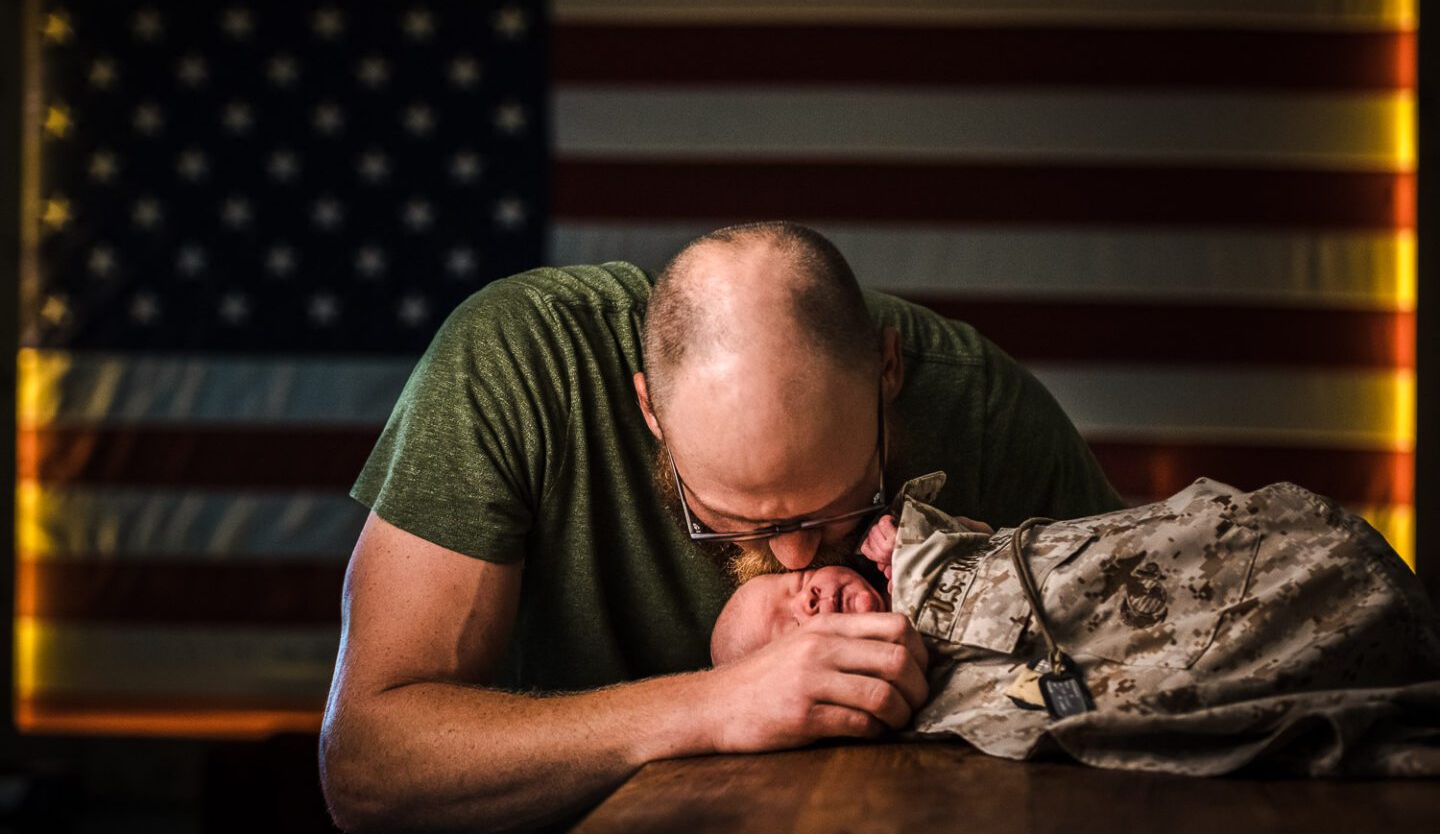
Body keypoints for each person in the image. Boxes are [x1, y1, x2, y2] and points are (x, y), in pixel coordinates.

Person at [319, 221, 1123, 831]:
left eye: (837, 505)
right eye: (729, 520)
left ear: (887, 373)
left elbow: (1172, 648)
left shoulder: (976, 401)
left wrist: (1015, 583)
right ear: (649, 411)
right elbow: (367, 765)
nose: (794, 554)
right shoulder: (521, 364)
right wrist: (717, 707)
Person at [711, 472, 1440, 777]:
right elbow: (1059, 704)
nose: (804, 604)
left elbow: (1024, 558)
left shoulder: (916, 561)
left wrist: (919, 550)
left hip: (1226, 557)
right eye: (787, 634)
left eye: (797, 587)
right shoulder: (925, 722)